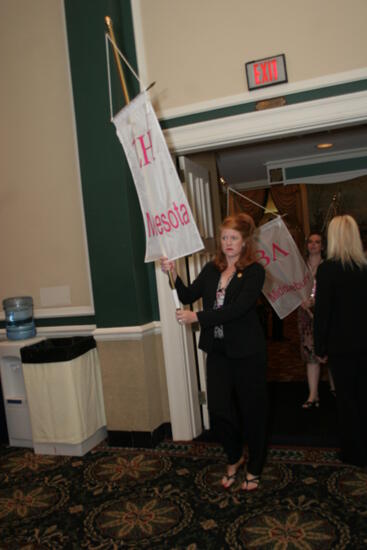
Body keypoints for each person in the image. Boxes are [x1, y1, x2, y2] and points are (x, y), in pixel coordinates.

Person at [160, 213, 267, 492]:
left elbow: (238, 309)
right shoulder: (211, 268)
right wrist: (172, 272)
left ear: (244, 242)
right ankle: (234, 457)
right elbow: (186, 294)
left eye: (234, 238)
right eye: (224, 238)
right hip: (218, 351)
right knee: (219, 410)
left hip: (247, 352)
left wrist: (198, 317)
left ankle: (255, 466)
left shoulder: (255, 271)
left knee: (251, 410)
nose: (228, 243)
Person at [314, 215, 367, 467]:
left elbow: (323, 312)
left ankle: (354, 452)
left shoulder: (327, 269)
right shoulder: (364, 267)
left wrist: (319, 346)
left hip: (341, 344)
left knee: (346, 399)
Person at [297, 233, 335, 408]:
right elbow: (291, 288)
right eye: (310, 242)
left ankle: (335, 387)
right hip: (305, 314)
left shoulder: (328, 266)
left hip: (326, 314)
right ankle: (313, 395)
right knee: (310, 352)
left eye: (317, 242)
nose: (313, 245)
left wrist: (317, 301)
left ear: (323, 246)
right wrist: (301, 301)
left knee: (330, 351)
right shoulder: (299, 266)